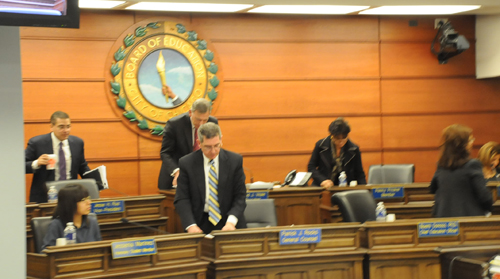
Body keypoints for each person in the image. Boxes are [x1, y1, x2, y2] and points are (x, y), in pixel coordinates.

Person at [174, 122, 247, 234]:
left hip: (229, 221)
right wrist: (190, 225)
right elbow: (182, 198)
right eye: (208, 147)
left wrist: (231, 222)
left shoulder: (234, 161)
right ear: (199, 143)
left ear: (221, 139)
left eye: (217, 145)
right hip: (199, 222)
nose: (213, 151)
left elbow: (240, 196)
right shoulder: (187, 163)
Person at [25, 111, 91, 203]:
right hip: (45, 196)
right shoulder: (37, 143)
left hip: (71, 195)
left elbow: (82, 166)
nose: (66, 130)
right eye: (61, 127)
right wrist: (36, 163)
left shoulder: (77, 143)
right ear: (51, 126)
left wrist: (95, 180)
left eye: (68, 126)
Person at [430, 124, 493, 218]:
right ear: (462, 144)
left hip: (443, 220)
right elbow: (484, 196)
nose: (472, 143)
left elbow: (432, 188)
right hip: (469, 221)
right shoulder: (472, 164)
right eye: (470, 140)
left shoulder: (441, 165)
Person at [158, 98, 218, 189]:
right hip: (175, 177)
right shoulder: (174, 124)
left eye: (205, 120)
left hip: (200, 177)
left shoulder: (213, 122)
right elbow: (165, 153)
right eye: (198, 120)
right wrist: (177, 171)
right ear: (190, 113)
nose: (201, 124)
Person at [307, 117, 366, 188]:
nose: (341, 141)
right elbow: (311, 167)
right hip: (322, 186)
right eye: (337, 138)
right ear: (331, 135)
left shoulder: (354, 149)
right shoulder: (321, 145)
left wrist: (364, 189)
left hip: (344, 188)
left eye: (344, 137)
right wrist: (323, 180)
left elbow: (359, 173)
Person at [41, 184, 101, 251]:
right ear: (70, 204)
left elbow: (100, 249)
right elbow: (46, 253)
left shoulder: (92, 223)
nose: (89, 202)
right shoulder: (56, 225)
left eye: (88, 198)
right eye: (83, 200)